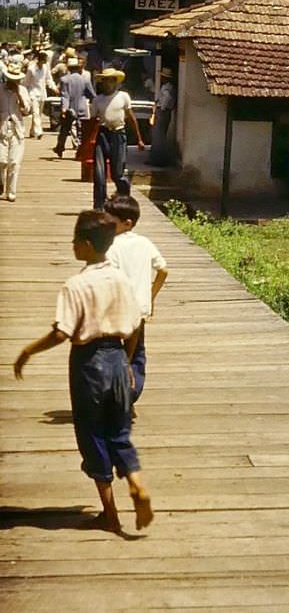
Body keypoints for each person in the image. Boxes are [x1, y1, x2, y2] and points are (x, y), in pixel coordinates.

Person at [13, 210, 153, 534]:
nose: (72, 245)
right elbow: (134, 327)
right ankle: (137, 485)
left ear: (87, 245)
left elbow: (61, 332)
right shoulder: (121, 280)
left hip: (88, 363)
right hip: (118, 357)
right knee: (118, 432)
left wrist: (28, 351)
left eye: (75, 240)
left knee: (92, 433)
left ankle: (110, 513)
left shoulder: (75, 284)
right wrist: (129, 364)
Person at [105, 195, 168, 406]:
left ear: (126, 223)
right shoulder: (145, 243)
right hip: (139, 308)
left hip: (117, 310)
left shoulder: (110, 247)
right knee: (136, 354)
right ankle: (130, 395)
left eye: (109, 219)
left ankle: (119, 397)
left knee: (113, 353)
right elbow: (163, 270)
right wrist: (151, 295)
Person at [91, 67, 145, 211]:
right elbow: (93, 121)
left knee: (118, 173)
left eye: (110, 81)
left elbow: (131, 118)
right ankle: (99, 205)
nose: (107, 84)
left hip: (118, 135)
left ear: (115, 82)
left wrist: (139, 138)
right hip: (103, 135)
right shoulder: (97, 100)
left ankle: (123, 200)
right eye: (104, 81)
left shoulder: (123, 97)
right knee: (99, 173)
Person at [0, 59, 32, 202]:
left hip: (17, 129)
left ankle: (11, 192)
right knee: (2, 161)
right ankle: (1, 187)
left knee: (14, 162)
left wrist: (19, 94)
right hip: (2, 128)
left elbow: (27, 110)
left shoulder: (23, 90)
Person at [54, 57, 96, 157]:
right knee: (81, 131)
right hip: (82, 107)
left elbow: (65, 96)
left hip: (70, 108)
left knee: (64, 129)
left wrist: (64, 109)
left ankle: (60, 147)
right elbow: (92, 94)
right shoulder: (85, 80)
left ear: (68, 68)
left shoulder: (64, 80)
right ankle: (80, 150)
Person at [24, 50, 57, 139]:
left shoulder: (46, 68)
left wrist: (54, 88)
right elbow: (26, 83)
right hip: (33, 93)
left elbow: (49, 79)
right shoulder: (31, 69)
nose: (44, 62)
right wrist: (24, 95)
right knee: (35, 113)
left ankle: (32, 131)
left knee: (38, 113)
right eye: (43, 60)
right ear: (39, 60)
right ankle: (38, 132)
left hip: (42, 93)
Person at [149, 67, 177, 166]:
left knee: (158, 136)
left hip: (163, 112)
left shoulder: (166, 87)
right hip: (165, 112)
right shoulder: (169, 87)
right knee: (160, 135)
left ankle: (158, 159)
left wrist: (162, 107)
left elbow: (167, 98)